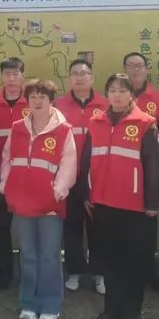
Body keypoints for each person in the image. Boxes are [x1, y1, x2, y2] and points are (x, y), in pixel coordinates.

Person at [81, 73, 159, 319]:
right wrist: (86, 194)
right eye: (112, 90)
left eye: (122, 91)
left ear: (132, 95)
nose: (117, 95)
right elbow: (86, 161)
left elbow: (153, 166)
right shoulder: (96, 122)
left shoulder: (145, 123)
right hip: (103, 203)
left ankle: (131, 314)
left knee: (132, 263)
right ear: (106, 94)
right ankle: (110, 311)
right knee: (110, 261)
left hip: (134, 207)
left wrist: (152, 202)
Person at [0, 79, 77, 319]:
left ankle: (51, 305)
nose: (37, 101)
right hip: (22, 204)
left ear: (51, 100)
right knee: (28, 255)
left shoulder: (63, 130)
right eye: (33, 96)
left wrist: (58, 191)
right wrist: (6, 185)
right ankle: (28, 303)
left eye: (42, 96)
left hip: (50, 205)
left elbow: (69, 163)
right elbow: (7, 158)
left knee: (49, 255)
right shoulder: (17, 128)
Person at [54, 59, 108, 294]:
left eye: (83, 73)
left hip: (97, 177)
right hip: (68, 176)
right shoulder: (58, 105)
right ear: (69, 79)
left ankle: (99, 274)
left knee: (98, 227)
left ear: (92, 78)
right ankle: (74, 270)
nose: (79, 78)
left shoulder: (105, 105)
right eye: (74, 74)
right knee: (71, 226)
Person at [123, 52, 159, 290]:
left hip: (150, 167)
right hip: (124, 167)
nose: (135, 70)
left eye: (140, 65)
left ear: (147, 69)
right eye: (131, 66)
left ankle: (149, 271)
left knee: (149, 221)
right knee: (127, 224)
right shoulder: (117, 97)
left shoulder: (158, 97)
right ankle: (129, 271)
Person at [0, 57, 29, 290]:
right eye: (7, 74)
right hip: (0, 178)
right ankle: (4, 273)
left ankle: (27, 273)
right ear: (1, 77)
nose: (11, 79)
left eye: (16, 74)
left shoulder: (33, 103)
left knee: (28, 229)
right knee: (2, 228)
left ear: (22, 76)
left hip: (28, 178)